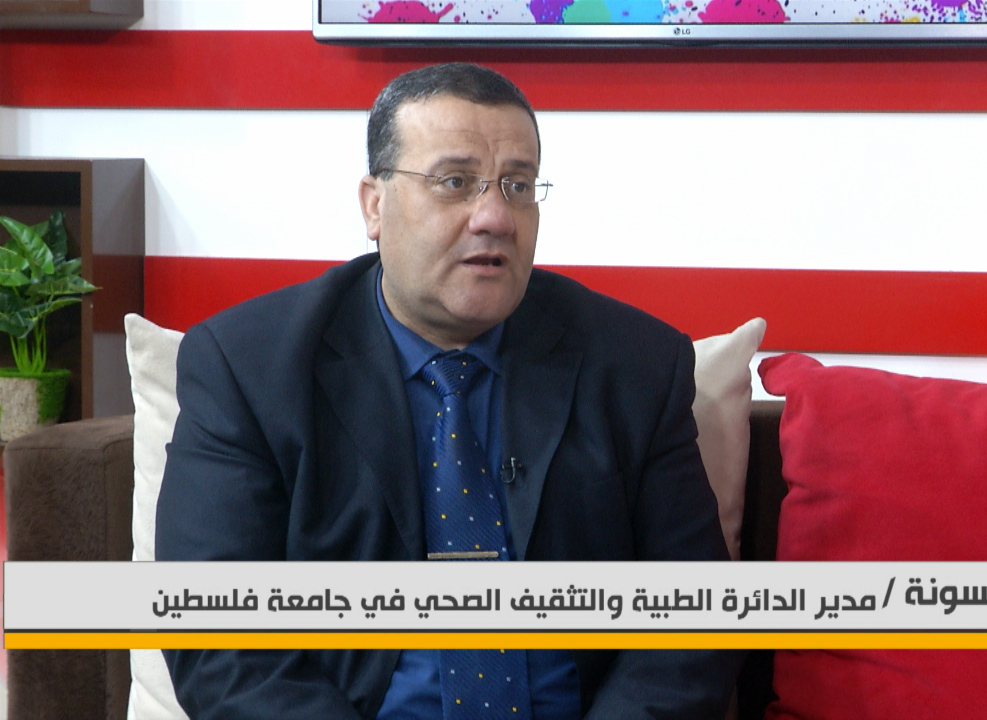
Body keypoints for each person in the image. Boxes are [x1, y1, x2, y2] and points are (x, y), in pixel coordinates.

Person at [154, 63, 741, 719]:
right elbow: (218, 638)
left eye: (518, 186)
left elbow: (692, 622)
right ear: (374, 205)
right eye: (455, 182)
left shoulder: (635, 364)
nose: (495, 217)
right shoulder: (248, 368)